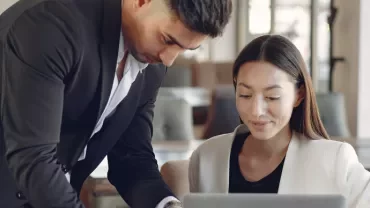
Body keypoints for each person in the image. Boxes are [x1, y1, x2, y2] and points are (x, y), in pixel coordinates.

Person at [0, 0, 232, 207]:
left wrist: (168, 206)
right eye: (167, 39)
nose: (168, 59)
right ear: (141, 2)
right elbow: (34, 157)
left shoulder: (152, 63)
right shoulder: (52, 27)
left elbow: (131, 158)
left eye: (184, 49)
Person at [188, 35, 370, 208]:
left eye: (272, 97)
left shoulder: (336, 161)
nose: (256, 111)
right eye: (245, 95)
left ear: (299, 95)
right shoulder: (205, 158)